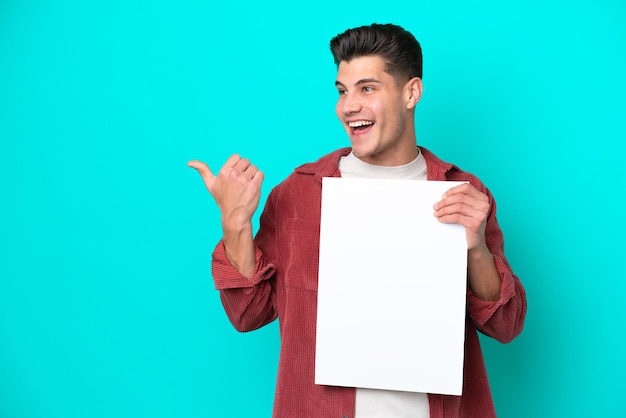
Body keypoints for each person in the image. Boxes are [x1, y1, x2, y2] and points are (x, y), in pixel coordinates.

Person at [189, 23, 526, 418]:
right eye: (342, 91)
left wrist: (477, 249)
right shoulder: (299, 193)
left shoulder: (462, 190)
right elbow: (248, 314)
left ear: (411, 92)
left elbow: (506, 325)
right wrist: (235, 225)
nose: (349, 106)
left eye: (367, 88)